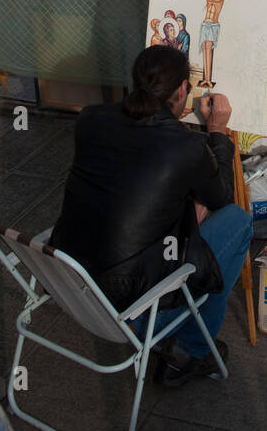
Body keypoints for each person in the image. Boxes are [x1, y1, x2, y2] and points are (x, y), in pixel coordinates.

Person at [50, 46, 252, 388]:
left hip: (72, 286)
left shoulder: (90, 119)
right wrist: (216, 132)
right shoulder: (184, 147)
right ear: (181, 92)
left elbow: (131, 169)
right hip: (131, 309)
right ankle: (191, 349)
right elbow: (221, 196)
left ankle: (188, 340)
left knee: (186, 211)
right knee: (237, 220)